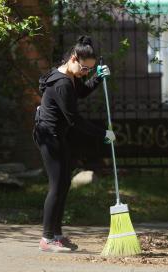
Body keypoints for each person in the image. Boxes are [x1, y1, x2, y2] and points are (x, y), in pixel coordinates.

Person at [33, 35, 115, 252]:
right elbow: (74, 119)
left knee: (64, 184)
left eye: (89, 69)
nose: (85, 72)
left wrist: (97, 78)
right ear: (73, 58)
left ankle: (57, 235)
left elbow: (82, 92)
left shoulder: (70, 77)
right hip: (49, 136)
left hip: (58, 135)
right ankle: (47, 239)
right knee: (57, 185)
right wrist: (103, 134)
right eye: (84, 68)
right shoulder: (61, 84)